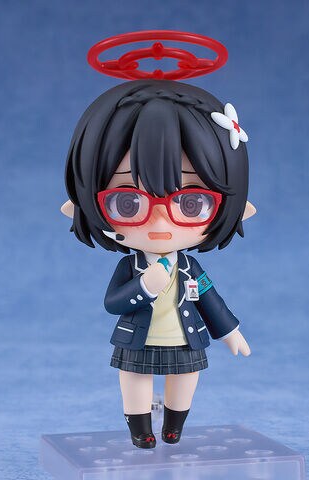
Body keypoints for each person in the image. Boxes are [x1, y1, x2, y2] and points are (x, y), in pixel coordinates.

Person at [61, 80, 256, 448]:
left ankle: (173, 426)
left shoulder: (190, 269)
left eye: (192, 203)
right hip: (137, 339)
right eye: (128, 203)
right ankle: (140, 430)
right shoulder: (131, 267)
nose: (160, 221)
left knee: (185, 379)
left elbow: (210, 299)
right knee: (134, 380)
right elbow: (112, 303)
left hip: (186, 337)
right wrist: (143, 287)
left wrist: (229, 330)